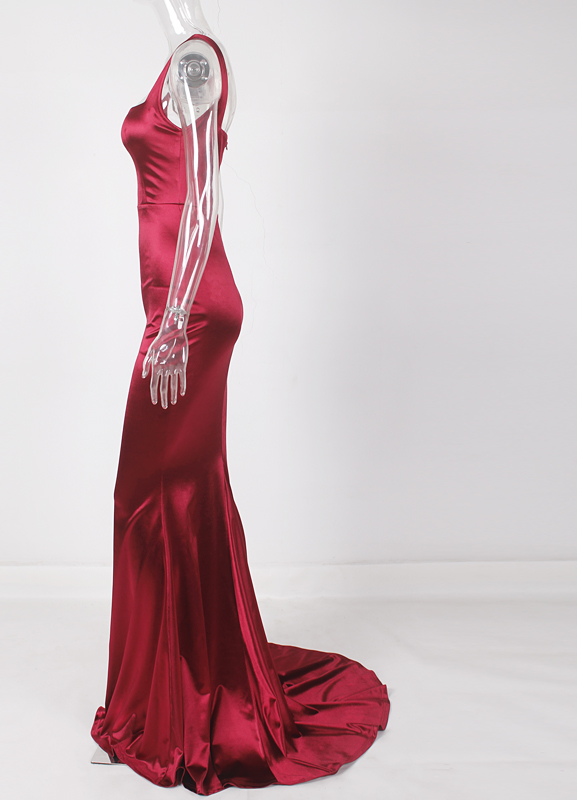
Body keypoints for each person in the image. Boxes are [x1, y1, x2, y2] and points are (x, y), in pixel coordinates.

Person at [91, 2, 390, 794]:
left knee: (147, 497)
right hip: (179, 306)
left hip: (188, 311)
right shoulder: (192, 50)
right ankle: (171, 692)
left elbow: (201, 202)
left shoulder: (195, 57)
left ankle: (175, 708)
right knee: (177, 493)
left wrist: (172, 320)